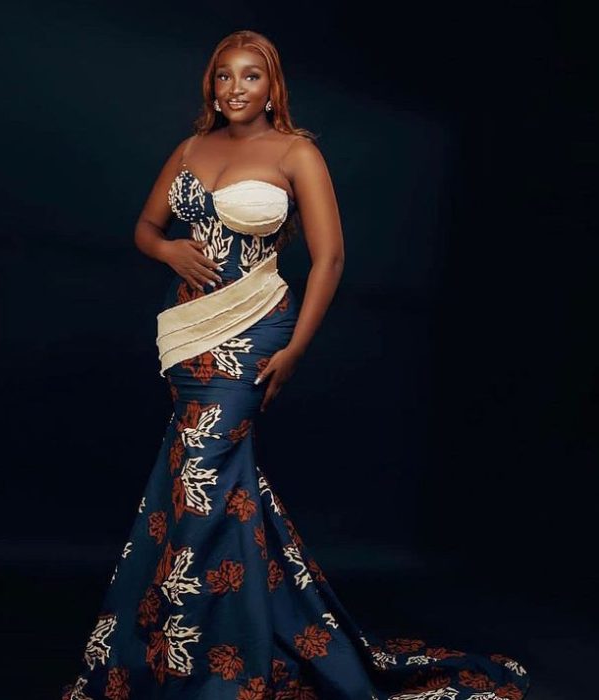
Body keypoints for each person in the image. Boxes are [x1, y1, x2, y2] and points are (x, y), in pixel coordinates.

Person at [61, 29, 531, 700]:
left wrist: (296, 350)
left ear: (271, 87)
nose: (235, 88)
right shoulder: (191, 149)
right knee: (220, 487)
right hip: (186, 333)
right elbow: (146, 228)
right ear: (211, 87)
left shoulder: (295, 152)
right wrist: (168, 252)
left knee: (200, 475)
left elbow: (330, 258)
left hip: (255, 326)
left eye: (250, 76)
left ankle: (192, 659)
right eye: (224, 76)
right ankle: (233, 639)